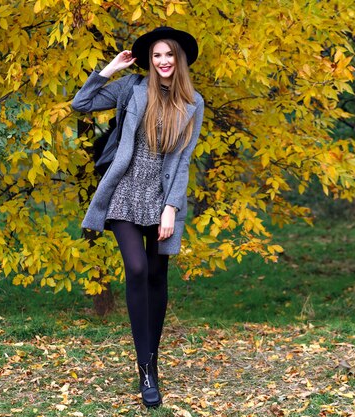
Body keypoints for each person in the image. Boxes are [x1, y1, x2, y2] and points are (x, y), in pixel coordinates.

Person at [72, 26, 204, 408]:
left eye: (169, 55)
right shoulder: (131, 89)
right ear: (149, 59)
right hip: (125, 189)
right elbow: (81, 104)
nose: (163, 61)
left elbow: (182, 162)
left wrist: (170, 208)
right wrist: (109, 69)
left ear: (178, 60)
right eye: (157, 55)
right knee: (137, 269)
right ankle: (144, 368)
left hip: (161, 197)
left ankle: (151, 365)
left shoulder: (193, 101)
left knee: (158, 275)